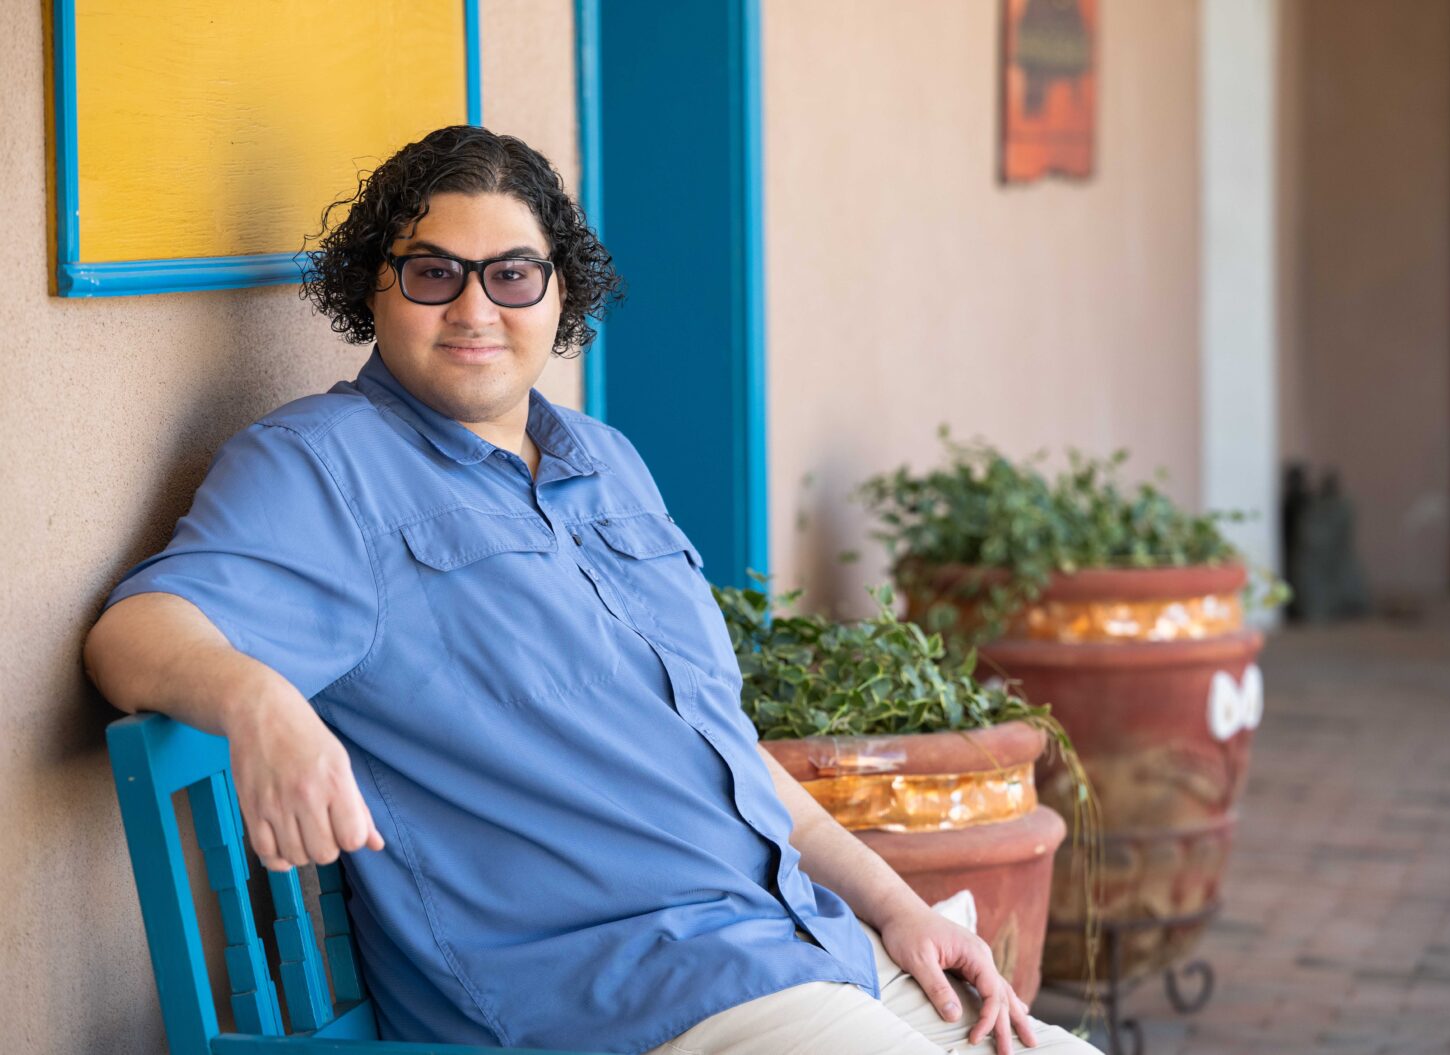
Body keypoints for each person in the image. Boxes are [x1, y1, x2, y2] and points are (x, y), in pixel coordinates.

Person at [84, 125, 1099, 1055]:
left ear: (560, 294)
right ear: (373, 288)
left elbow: (724, 751)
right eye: (433, 272)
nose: (475, 308)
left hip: (795, 941)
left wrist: (897, 905)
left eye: (511, 275)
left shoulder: (601, 460)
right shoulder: (324, 466)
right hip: (615, 993)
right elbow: (135, 632)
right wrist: (258, 698)